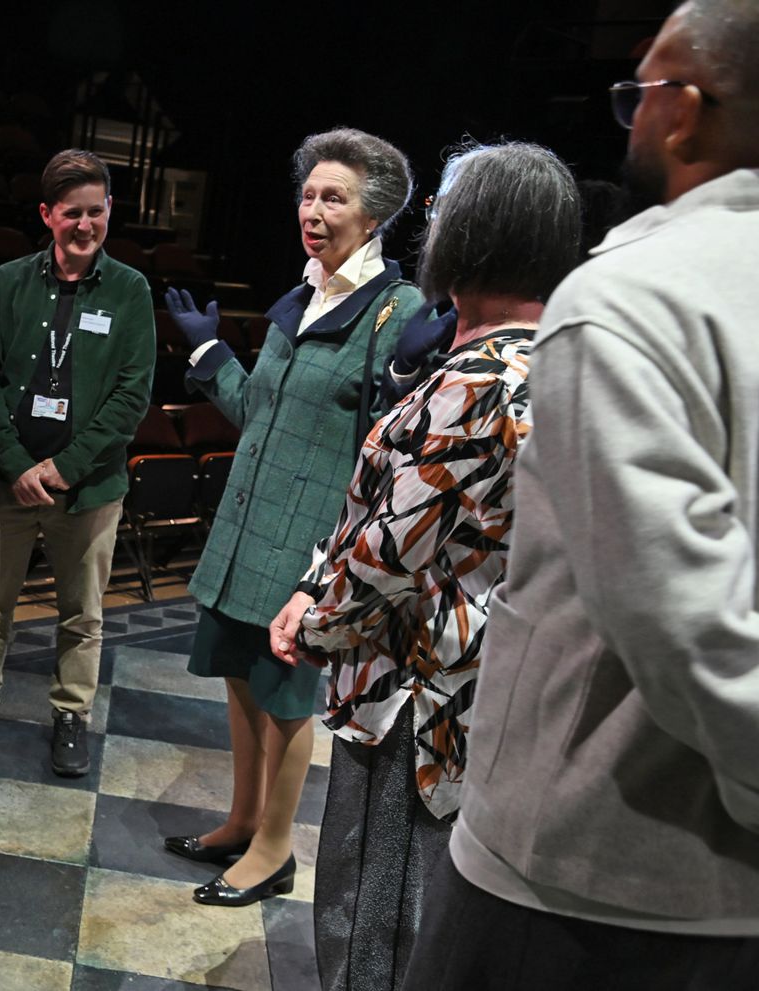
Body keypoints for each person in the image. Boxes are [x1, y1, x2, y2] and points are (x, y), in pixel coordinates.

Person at [405, 2, 759, 986]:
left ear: (683, 108)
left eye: (636, 92)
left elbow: (676, 616)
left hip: (589, 870)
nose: (630, 116)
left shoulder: (627, 298)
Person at [269, 142, 581, 990]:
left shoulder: (479, 379)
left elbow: (387, 551)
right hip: (492, 678)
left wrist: (312, 611)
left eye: (444, 210)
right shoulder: (556, 359)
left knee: (374, 919)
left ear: (476, 235)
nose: (432, 225)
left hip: (415, 693)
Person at [160, 128, 421, 906]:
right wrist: (211, 359)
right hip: (248, 528)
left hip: (308, 543)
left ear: (373, 217)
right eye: (307, 194)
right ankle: (242, 819)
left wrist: (330, 564)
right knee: (242, 678)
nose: (312, 209)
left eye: (332, 197)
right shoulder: (300, 298)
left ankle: (274, 850)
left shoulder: (393, 312)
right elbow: (256, 410)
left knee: (285, 694)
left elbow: (384, 451)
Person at [0, 149, 156, 777]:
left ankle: (71, 714)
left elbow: (132, 396)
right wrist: (20, 463)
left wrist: (63, 468)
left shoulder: (131, 290)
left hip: (88, 489)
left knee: (82, 614)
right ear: (47, 215)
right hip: (4, 480)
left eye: (97, 211)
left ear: (109, 210)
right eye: (72, 213)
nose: (86, 225)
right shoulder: (10, 281)